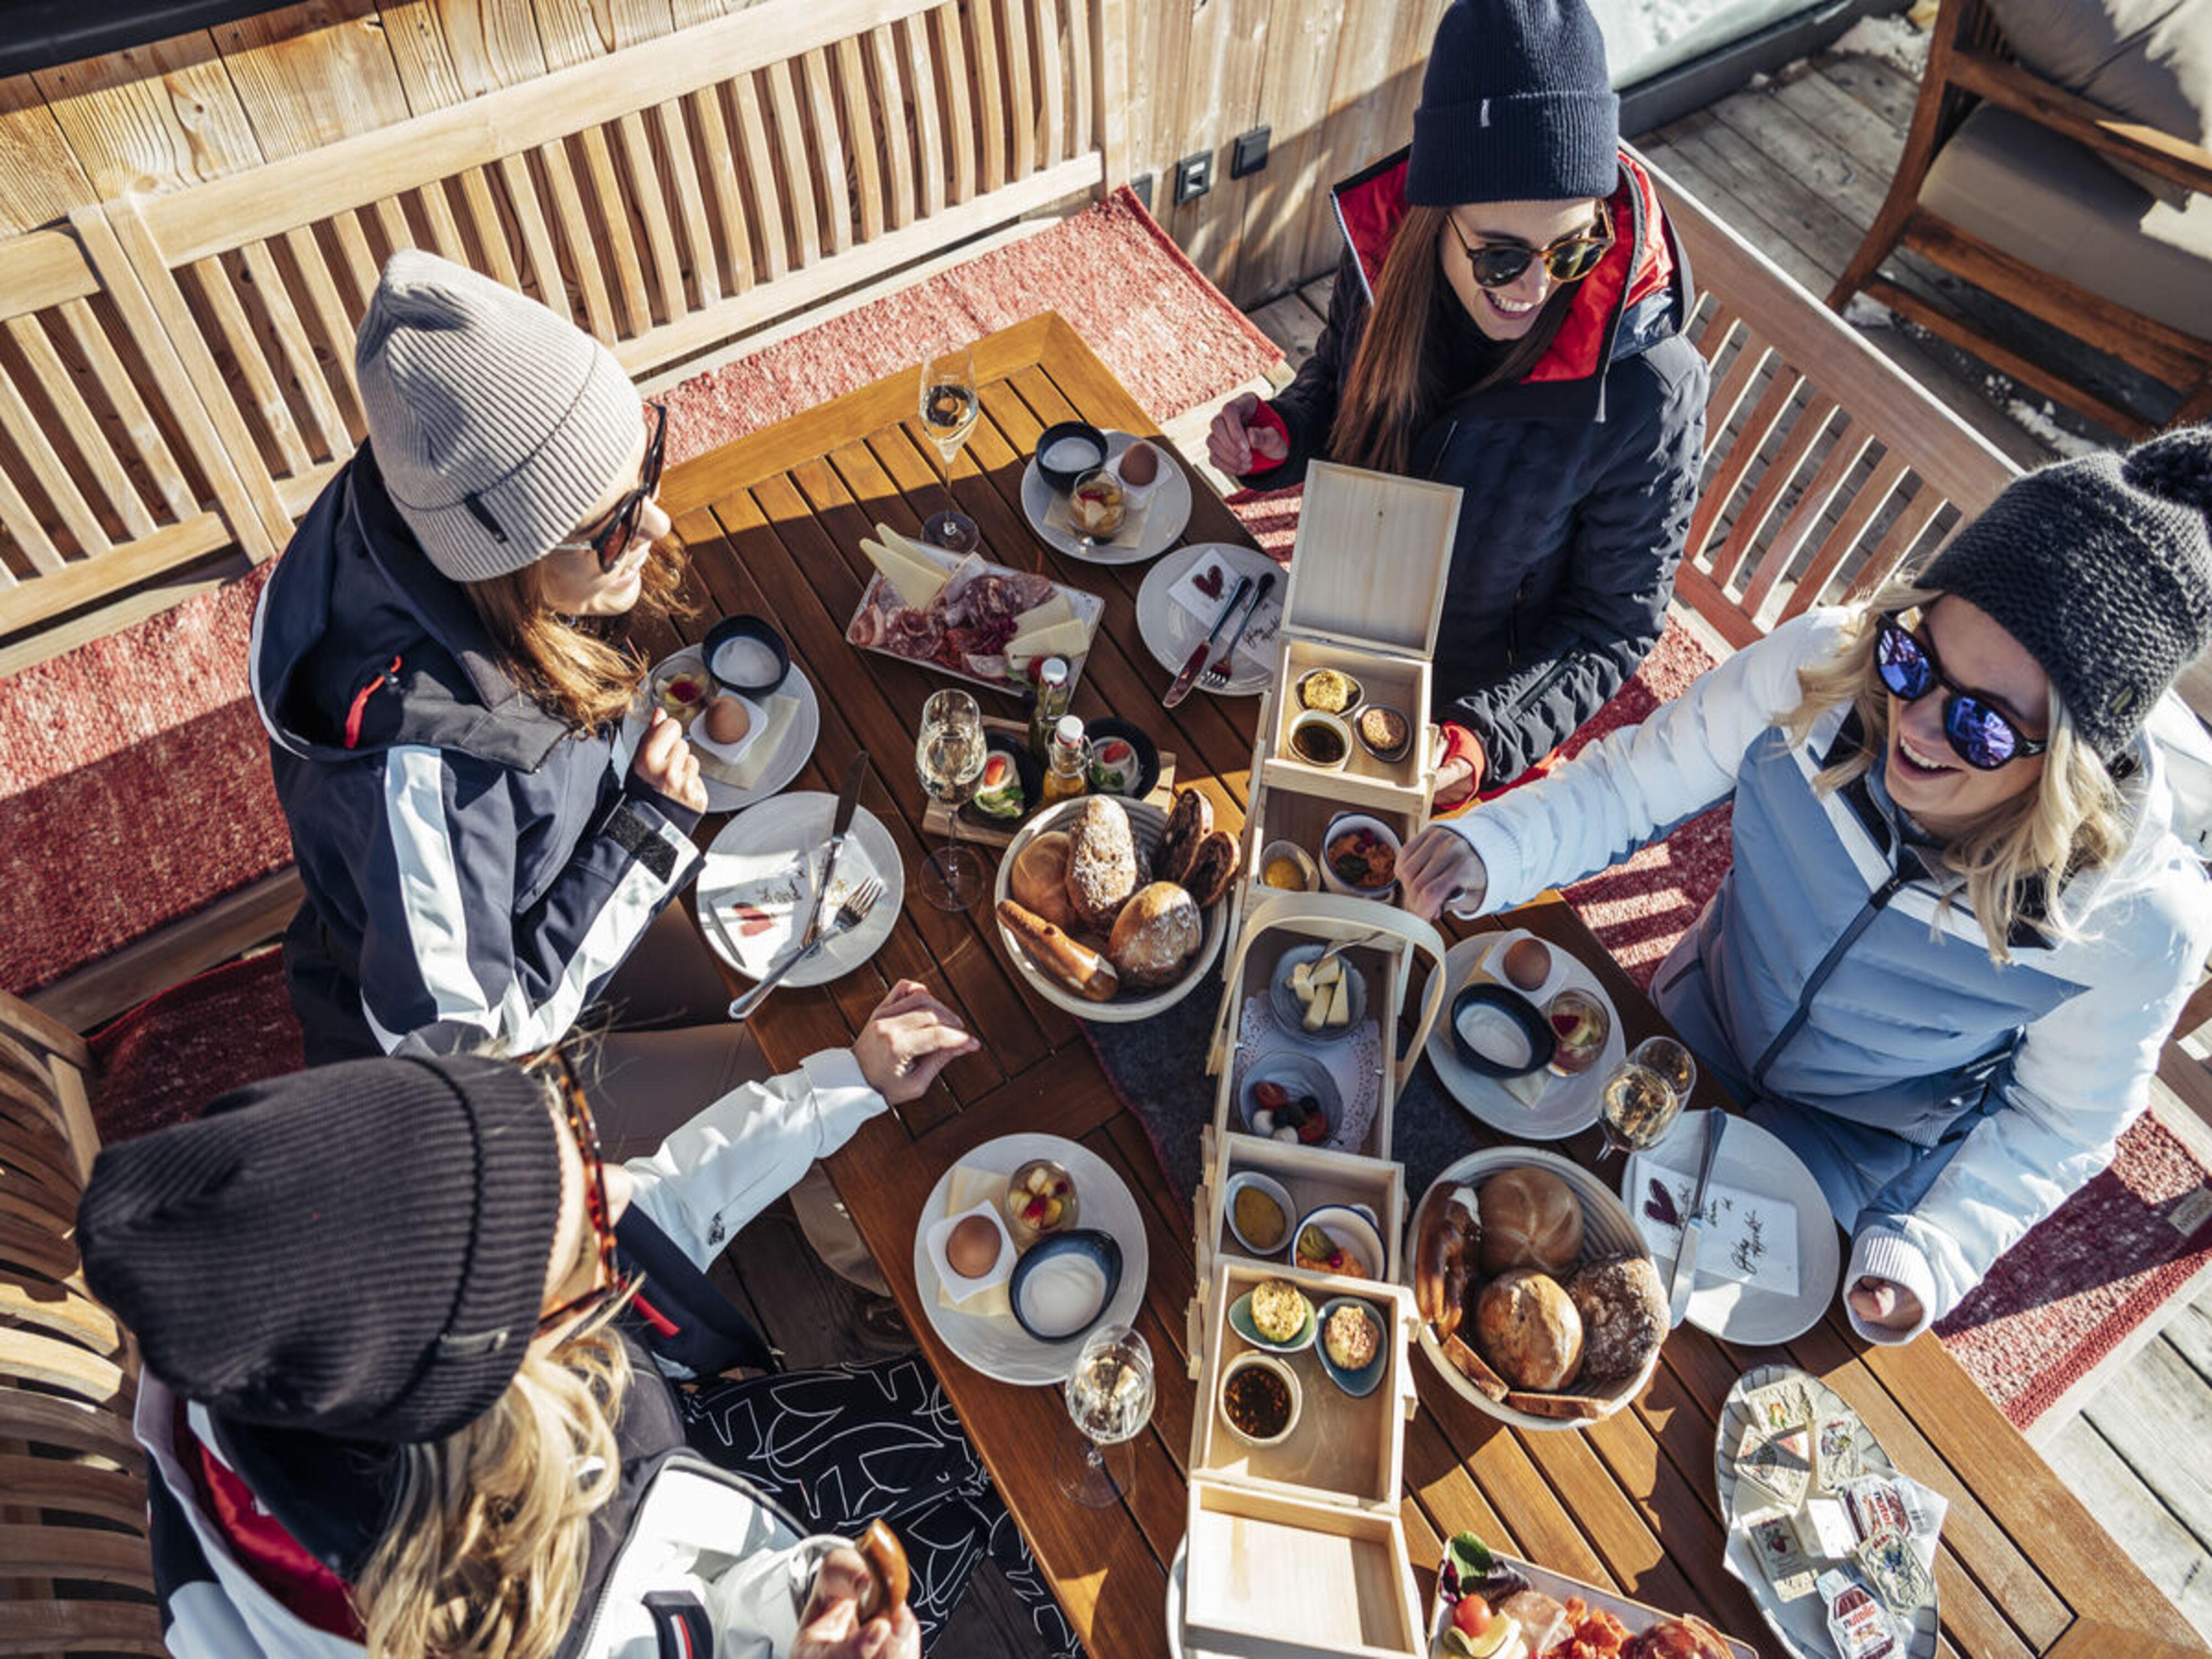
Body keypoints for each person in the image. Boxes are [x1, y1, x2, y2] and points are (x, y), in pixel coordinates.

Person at [1396, 429, 2212, 1343]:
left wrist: (1930, 1251)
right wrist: (1489, 848)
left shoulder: (2141, 921)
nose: (1919, 727)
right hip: (1685, 1039)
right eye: (1913, 662)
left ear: (2069, 767)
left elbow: (2058, 1123)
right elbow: (1630, 787)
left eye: (1982, 727)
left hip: (1844, 1168)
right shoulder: (1820, 669)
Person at [76, 983, 1085, 1659]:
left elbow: (655, 1209)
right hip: (684, 1541)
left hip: (689, 1482)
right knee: (1027, 1472)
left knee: (1006, 1423)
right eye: (581, 1252)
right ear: (503, 1393)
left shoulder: (305, 1336)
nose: (611, 1216)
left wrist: (843, 1084)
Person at [1208, 0, 1707, 809]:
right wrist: (1282, 434)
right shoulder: (1382, 263)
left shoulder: (1653, 388)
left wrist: (1484, 739)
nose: (1536, 289)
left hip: (1477, 714)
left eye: (1573, 250)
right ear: (1434, 216)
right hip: (1331, 626)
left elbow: (1613, 621)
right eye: (1502, 257)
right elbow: (1336, 378)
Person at [252, 249, 723, 1085]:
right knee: (761, 1042)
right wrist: (643, 833)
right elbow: (473, 1049)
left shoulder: (416, 511)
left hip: (551, 884)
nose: (656, 525)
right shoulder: (430, 781)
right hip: (467, 1073)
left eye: (646, 466)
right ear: (503, 558)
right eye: (613, 526)